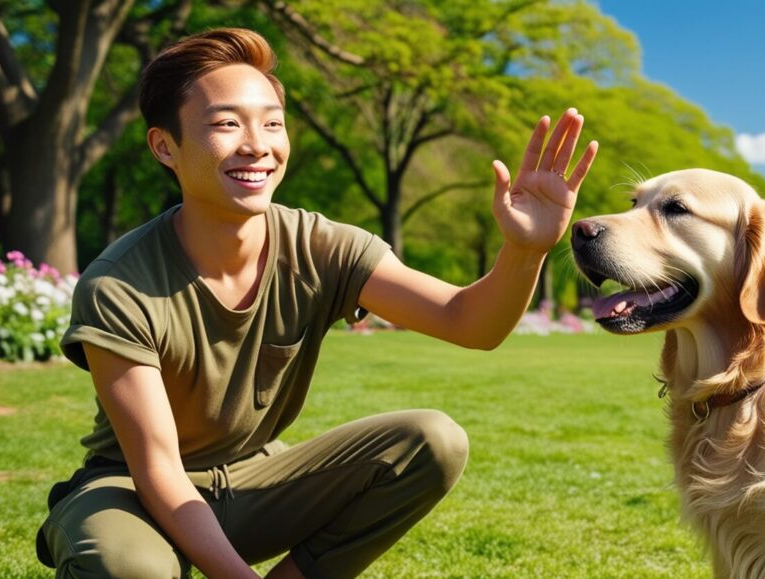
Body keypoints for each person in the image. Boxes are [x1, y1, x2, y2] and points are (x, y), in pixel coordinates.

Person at [35, 28, 597, 578]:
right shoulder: (120, 283)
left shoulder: (322, 246)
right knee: (129, 568)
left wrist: (523, 250)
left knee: (432, 441)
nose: (257, 144)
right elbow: (158, 468)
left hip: (255, 481)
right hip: (132, 493)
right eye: (227, 124)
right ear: (165, 146)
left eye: (273, 124)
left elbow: (469, 322)